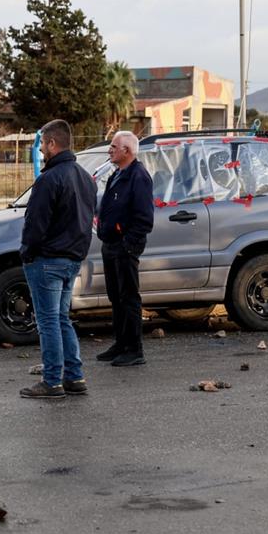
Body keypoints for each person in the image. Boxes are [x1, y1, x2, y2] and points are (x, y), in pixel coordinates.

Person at [19, 120, 97, 399]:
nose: (40, 150)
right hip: (73, 259)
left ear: (53, 143)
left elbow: (35, 225)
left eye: (42, 145)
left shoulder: (49, 179)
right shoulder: (85, 178)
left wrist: (27, 252)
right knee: (61, 318)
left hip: (47, 260)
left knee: (48, 321)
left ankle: (52, 381)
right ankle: (74, 376)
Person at [95, 131, 154, 366]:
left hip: (125, 247)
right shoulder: (117, 174)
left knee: (129, 297)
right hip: (110, 245)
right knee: (116, 297)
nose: (109, 150)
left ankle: (134, 348)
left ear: (127, 151)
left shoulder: (139, 177)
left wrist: (128, 244)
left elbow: (144, 219)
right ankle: (120, 343)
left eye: (113, 146)